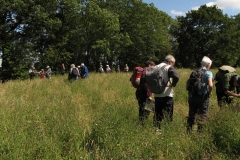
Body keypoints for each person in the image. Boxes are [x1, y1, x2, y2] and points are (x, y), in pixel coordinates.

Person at [186, 56, 214, 133]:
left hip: (192, 96)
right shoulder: (208, 73)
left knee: (192, 114)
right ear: (208, 64)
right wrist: (210, 92)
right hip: (203, 97)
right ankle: (200, 133)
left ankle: (188, 131)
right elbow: (211, 85)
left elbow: (188, 84)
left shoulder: (194, 72)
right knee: (202, 115)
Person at [153, 55, 180, 129]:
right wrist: (173, 84)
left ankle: (157, 130)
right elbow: (176, 76)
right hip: (167, 95)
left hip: (157, 94)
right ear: (170, 62)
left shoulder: (155, 67)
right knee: (168, 115)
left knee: (157, 114)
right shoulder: (168, 67)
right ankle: (167, 130)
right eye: (173, 63)